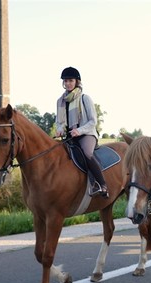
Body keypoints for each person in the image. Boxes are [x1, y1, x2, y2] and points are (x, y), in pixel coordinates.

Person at [55, 66, 108, 198]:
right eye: (65, 81)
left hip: (87, 134)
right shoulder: (60, 101)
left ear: (77, 81)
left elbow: (92, 121)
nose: (67, 83)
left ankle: (102, 185)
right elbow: (59, 122)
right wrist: (60, 129)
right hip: (70, 137)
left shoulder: (85, 98)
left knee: (86, 153)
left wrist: (79, 130)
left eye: (70, 80)